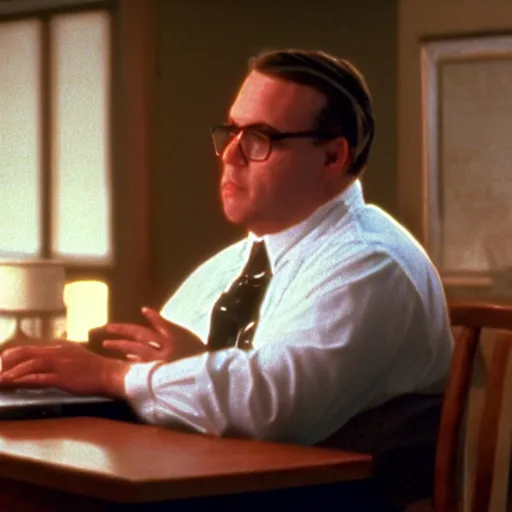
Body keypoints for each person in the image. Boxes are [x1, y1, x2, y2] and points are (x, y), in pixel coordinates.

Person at [0, 48, 453, 451]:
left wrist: (112, 377)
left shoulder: (370, 263)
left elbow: (274, 403)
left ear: (333, 157)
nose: (230, 156)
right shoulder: (233, 266)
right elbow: (174, 378)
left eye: (260, 138)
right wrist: (59, 369)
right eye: (231, 132)